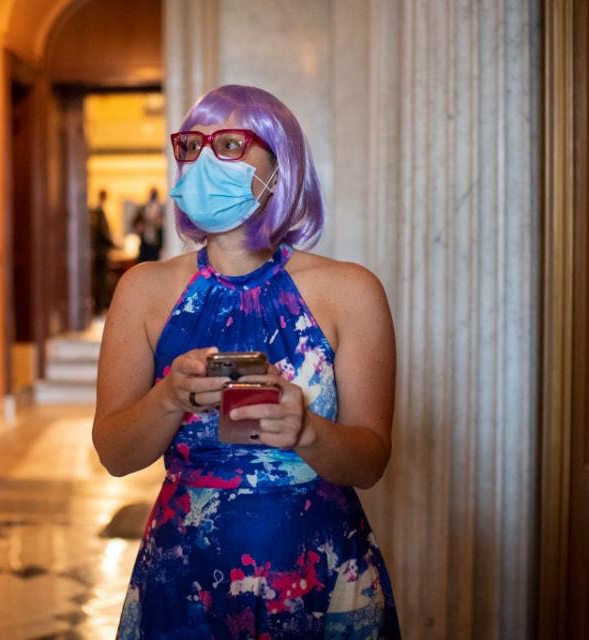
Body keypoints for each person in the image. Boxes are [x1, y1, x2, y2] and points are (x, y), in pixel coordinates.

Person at [93, 85, 400, 637]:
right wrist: (168, 399)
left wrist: (305, 430)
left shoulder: (350, 292)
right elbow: (115, 455)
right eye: (190, 146)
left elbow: (371, 461)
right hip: (184, 574)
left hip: (321, 571)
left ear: (280, 167)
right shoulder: (143, 290)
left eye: (230, 145)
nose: (204, 161)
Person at [90, 189, 117, 314]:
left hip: (100, 251)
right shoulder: (99, 212)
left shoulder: (97, 212)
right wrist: (114, 244)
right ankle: (100, 307)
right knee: (101, 280)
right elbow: (103, 233)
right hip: (101, 252)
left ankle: (100, 306)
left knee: (101, 279)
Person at [133, 186, 164, 262]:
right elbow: (135, 223)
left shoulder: (161, 209)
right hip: (145, 243)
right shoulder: (143, 208)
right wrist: (141, 226)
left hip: (156, 243)